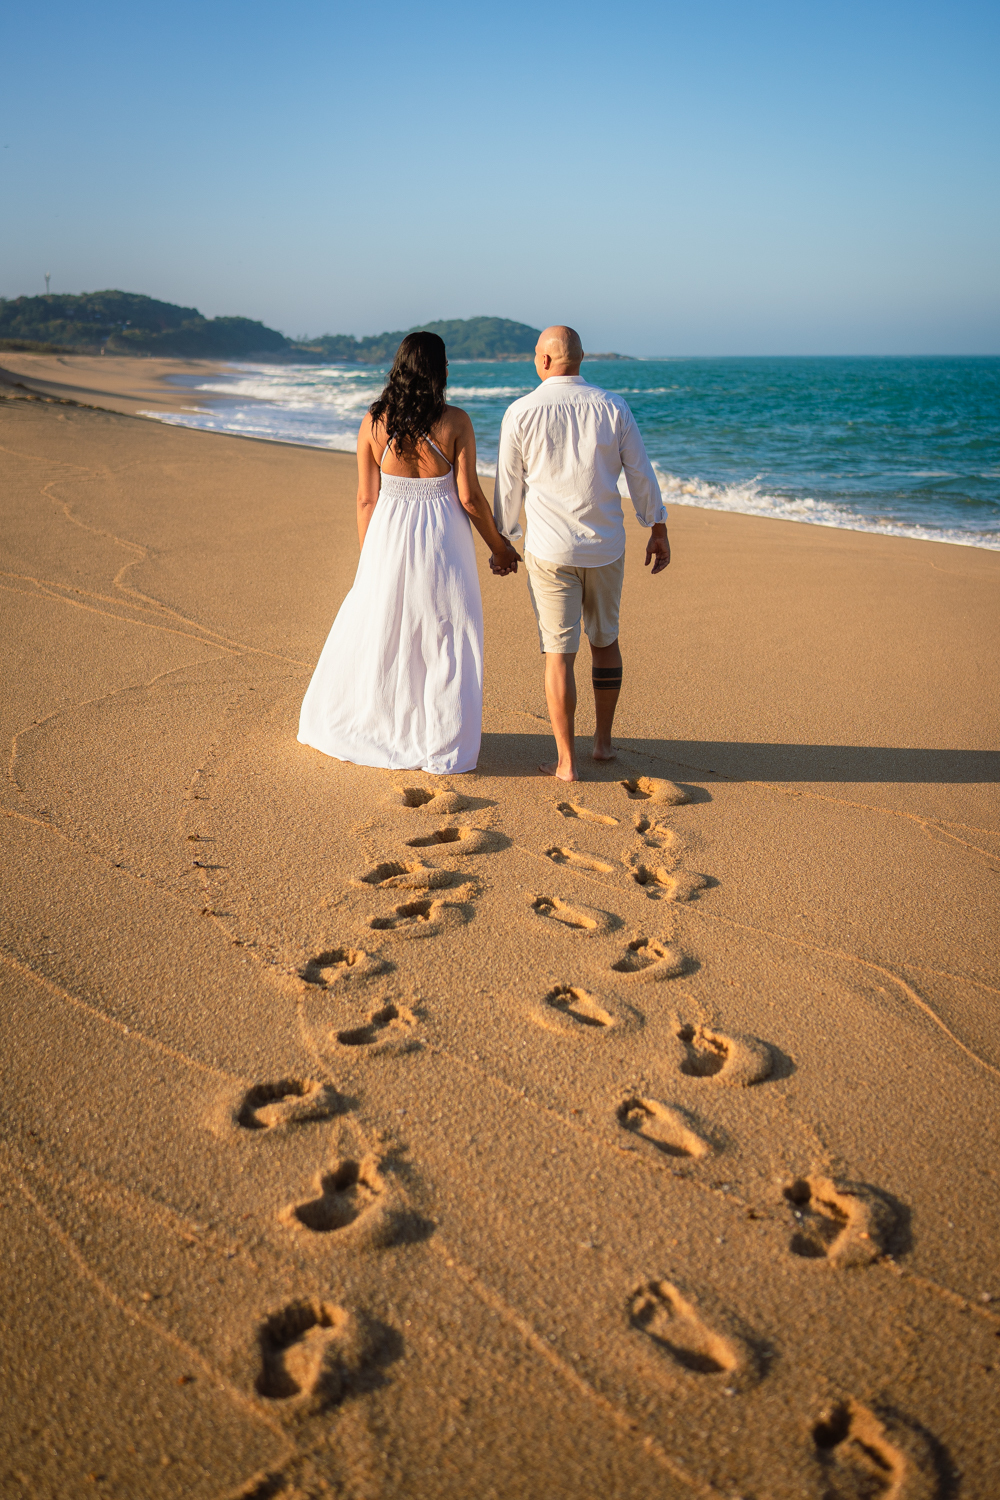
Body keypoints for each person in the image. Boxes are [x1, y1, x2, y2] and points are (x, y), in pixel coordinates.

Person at [298, 332, 520, 774]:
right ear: (440, 371)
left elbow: (366, 498)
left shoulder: (373, 423)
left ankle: (382, 727)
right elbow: (470, 497)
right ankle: (442, 737)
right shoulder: (455, 422)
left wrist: (370, 561)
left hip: (388, 534)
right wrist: (500, 547)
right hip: (443, 537)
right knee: (446, 631)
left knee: (385, 629)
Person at [492, 325, 670, 781]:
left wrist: (503, 539)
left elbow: (509, 484)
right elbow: (640, 472)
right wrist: (657, 526)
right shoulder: (613, 406)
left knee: (559, 653)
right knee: (605, 641)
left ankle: (566, 762)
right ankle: (603, 744)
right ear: (581, 357)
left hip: (550, 549)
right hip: (605, 546)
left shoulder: (521, 411)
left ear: (545, 360)